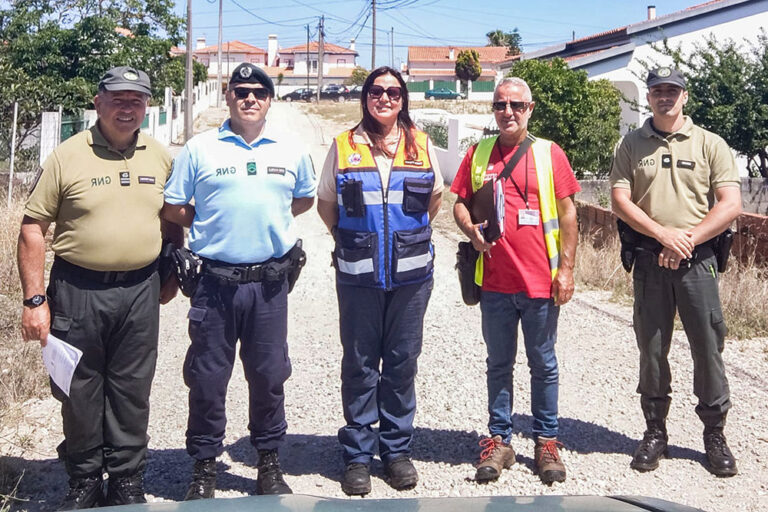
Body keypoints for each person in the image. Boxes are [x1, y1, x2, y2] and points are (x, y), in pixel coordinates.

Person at [17, 66, 183, 509]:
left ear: (147, 107)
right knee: (79, 388)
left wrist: (169, 270)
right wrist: (35, 300)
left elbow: (171, 220)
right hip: (77, 289)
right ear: (98, 102)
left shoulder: (160, 155)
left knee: (132, 388)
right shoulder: (67, 156)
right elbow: (33, 228)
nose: (127, 108)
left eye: (137, 100)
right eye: (118, 99)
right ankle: (85, 479)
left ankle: (127, 480)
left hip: (140, 291)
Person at [162, 63, 316, 499]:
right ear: (228, 97)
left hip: (269, 284)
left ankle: (267, 462)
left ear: (270, 99)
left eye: (259, 92)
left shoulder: (290, 149)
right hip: (215, 284)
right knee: (208, 378)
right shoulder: (200, 148)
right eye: (241, 91)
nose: (250, 98)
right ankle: (204, 467)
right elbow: (174, 206)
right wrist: (209, 220)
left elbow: (301, 198)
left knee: (269, 375)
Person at [316, 66, 443, 495]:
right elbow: (326, 202)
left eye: (393, 91)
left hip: (411, 279)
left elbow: (435, 200)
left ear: (403, 98)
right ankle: (356, 454)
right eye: (376, 91)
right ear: (365, 97)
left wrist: (406, 241)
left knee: (402, 363)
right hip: (358, 277)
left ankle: (396, 450)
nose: (384, 98)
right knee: (360, 364)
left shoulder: (421, 145)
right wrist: (351, 242)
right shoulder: (344, 144)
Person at [610, 66, 742, 477]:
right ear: (647, 97)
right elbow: (620, 200)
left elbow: (730, 203)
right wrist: (662, 236)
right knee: (651, 351)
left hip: (698, 263)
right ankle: (655, 432)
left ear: (685, 96)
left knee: (708, 348)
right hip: (650, 261)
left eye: (673, 90)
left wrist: (686, 240)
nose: (664, 96)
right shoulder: (631, 144)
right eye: (657, 91)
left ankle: (714, 434)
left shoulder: (710, 144)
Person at [451, 77, 579, 485]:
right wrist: (471, 230)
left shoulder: (548, 154)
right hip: (494, 282)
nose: (508, 112)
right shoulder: (478, 153)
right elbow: (458, 202)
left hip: (541, 281)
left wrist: (568, 269)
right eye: (501, 104)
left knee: (543, 364)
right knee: (498, 364)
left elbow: (569, 214)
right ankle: (500, 439)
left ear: (530, 109)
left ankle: (546, 441)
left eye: (516, 105)